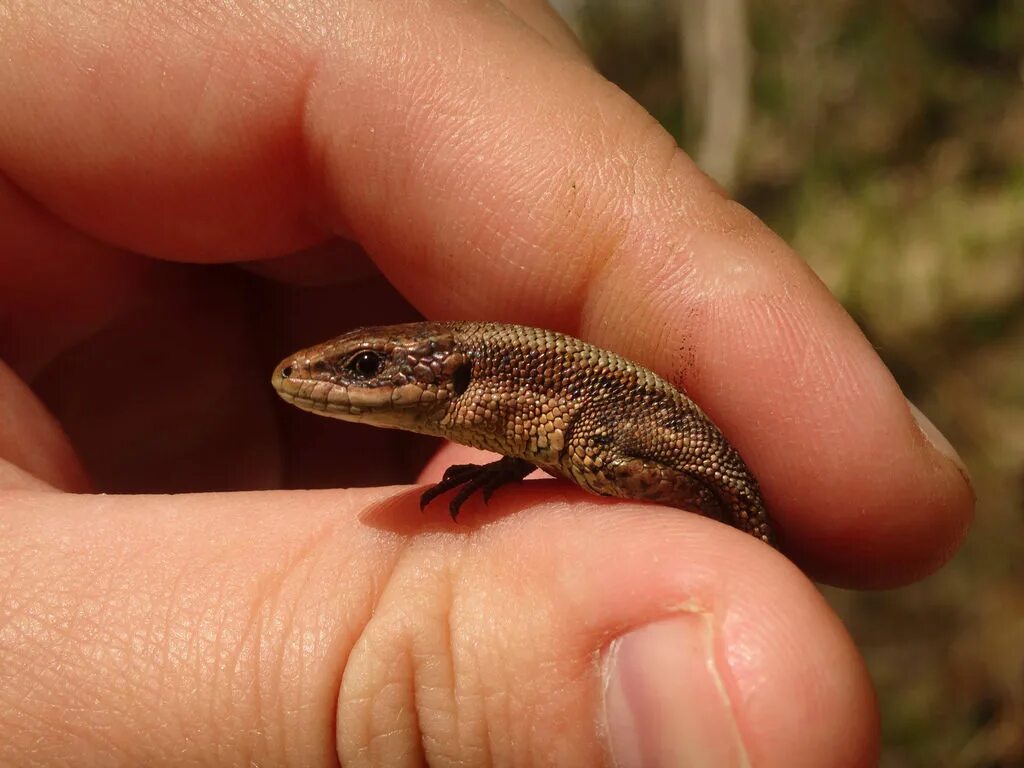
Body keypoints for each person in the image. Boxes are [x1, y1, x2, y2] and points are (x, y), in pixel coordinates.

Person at [0, 1, 973, 765]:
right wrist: (515, 473)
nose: (321, 379)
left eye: (368, 367)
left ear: (453, 371)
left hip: (735, 540)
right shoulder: (539, 411)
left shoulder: (580, 416)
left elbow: (671, 482)